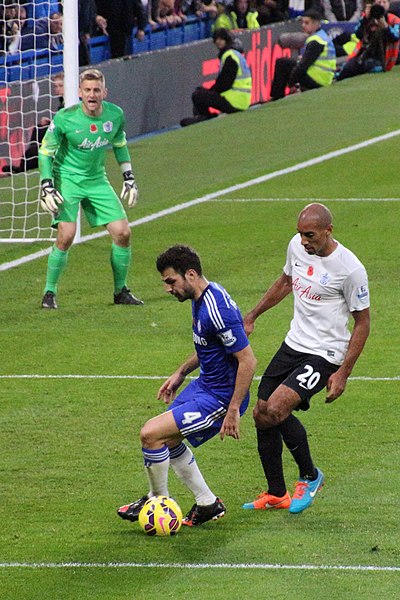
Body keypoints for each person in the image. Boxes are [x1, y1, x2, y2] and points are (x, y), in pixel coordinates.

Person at [242, 203, 370, 514]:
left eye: (310, 235)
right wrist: (253, 314)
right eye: (300, 234)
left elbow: (363, 323)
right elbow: (286, 282)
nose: (303, 241)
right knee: (261, 413)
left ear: (329, 231)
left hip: (326, 352)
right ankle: (276, 493)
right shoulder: (296, 248)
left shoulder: (350, 269)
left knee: (276, 408)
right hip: (294, 344)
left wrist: (343, 373)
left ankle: (311, 476)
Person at [117, 244, 257, 527]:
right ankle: (207, 503)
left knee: (150, 434)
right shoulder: (203, 296)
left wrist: (232, 411)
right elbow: (209, 345)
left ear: (190, 275)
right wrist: (180, 372)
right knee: (166, 440)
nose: (168, 288)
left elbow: (248, 361)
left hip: (220, 398)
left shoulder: (217, 310)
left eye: (171, 281)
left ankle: (157, 502)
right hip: (205, 386)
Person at [38, 68, 143, 309]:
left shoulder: (115, 115)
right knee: (66, 235)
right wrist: (47, 184)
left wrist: (128, 176)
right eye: (87, 90)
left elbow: (120, 144)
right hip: (67, 180)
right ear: (79, 93)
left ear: (104, 92)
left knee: (123, 233)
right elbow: (45, 154)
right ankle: (49, 293)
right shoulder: (65, 118)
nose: (92, 94)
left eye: (96, 90)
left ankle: (120, 291)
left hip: (97, 180)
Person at [180, 28, 252, 127]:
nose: (218, 42)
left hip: (233, 100)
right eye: (216, 39)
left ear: (226, 40)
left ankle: (205, 117)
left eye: (220, 39)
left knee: (197, 95)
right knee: (202, 93)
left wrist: (210, 92)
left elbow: (224, 83)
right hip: (242, 100)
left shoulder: (229, 56)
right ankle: (204, 117)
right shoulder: (236, 55)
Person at [2, 73, 64, 175]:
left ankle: (22, 168)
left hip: (62, 142)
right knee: (39, 128)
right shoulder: (61, 103)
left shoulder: (71, 103)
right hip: (57, 135)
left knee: (32, 152)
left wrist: (52, 123)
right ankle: (22, 165)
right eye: (55, 86)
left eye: (60, 86)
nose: (57, 89)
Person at [270, 8, 336, 100]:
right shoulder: (322, 36)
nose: (303, 25)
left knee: (282, 63)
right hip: (323, 78)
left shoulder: (316, 41)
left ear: (316, 23)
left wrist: (291, 83)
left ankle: (276, 97)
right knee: (290, 64)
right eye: (303, 22)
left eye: (306, 23)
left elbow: (303, 65)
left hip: (317, 80)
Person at [336, 0, 400, 80]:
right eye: (379, 2)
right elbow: (358, 34)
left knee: (368, 66)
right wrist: (365, 19)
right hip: (363, 55)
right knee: (347, 69)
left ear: (389, 4)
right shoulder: (366, 18)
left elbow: (395, 37)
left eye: (384, 2)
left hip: (383, 60)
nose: (382, 5)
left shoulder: (394, 20)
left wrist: (385, 27)